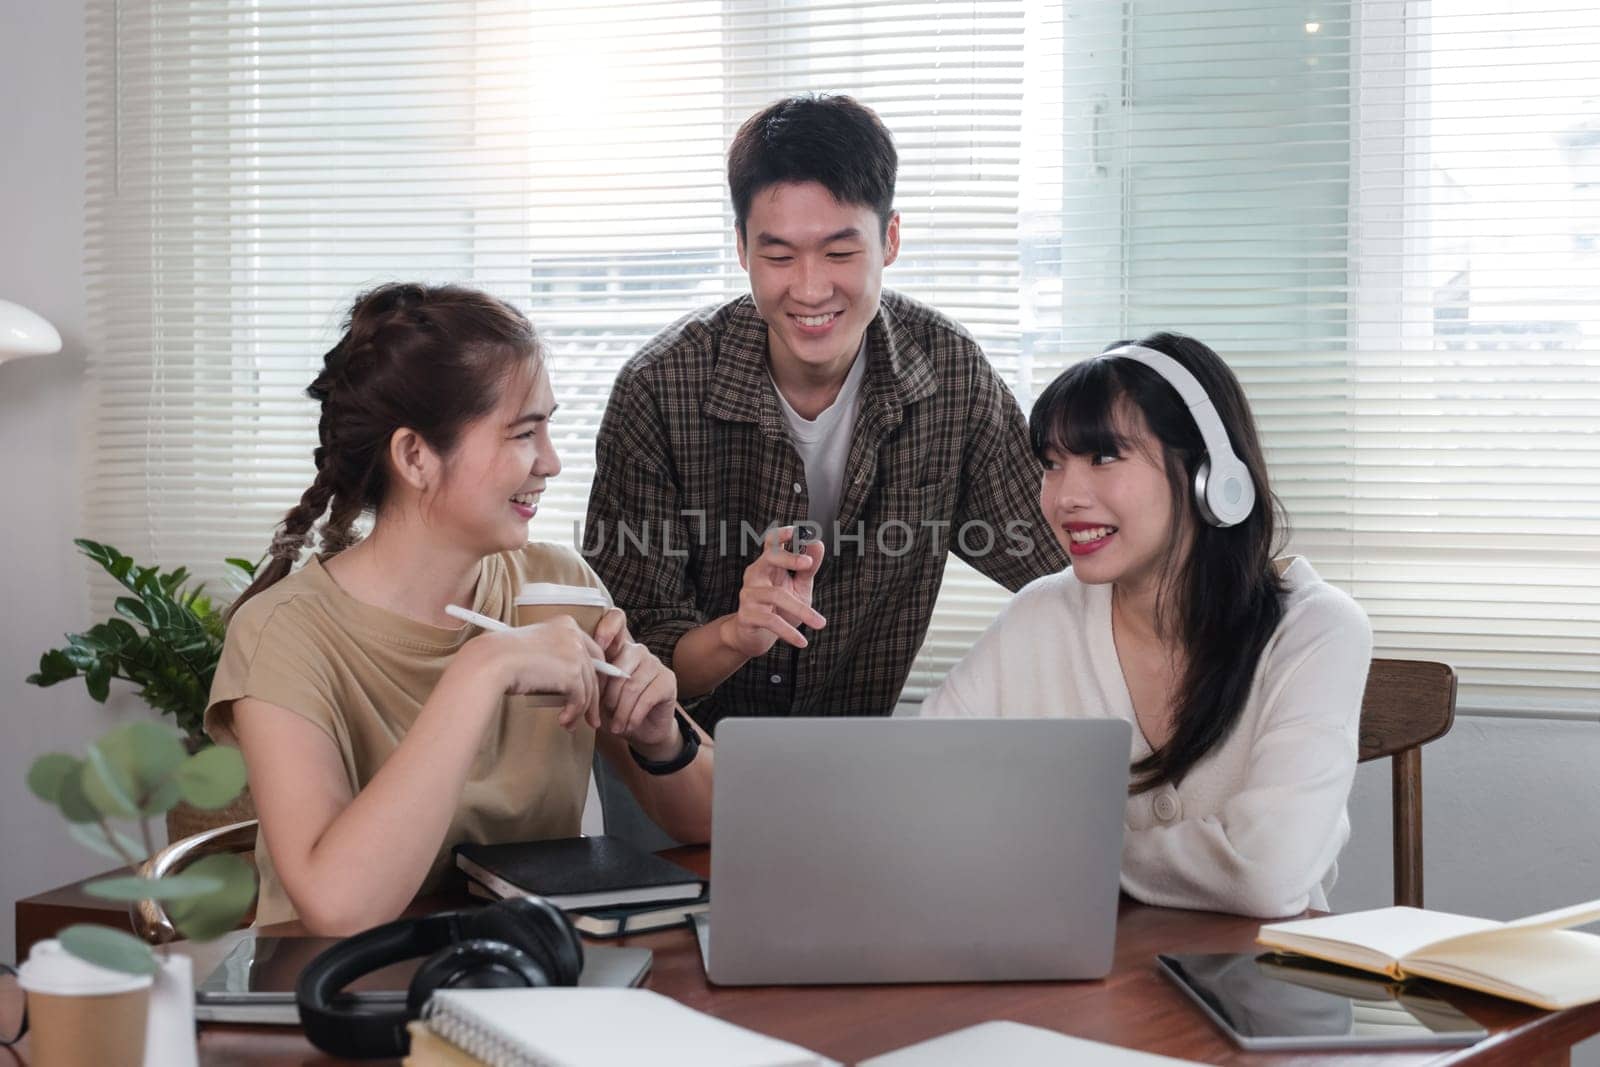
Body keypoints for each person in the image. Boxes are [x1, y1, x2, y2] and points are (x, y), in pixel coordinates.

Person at [206, 283, 712, 934]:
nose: (552, 462)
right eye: (524, 433)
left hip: (524, 979)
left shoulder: (559, 587)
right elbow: (337, 905)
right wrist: (482, 672)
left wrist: (660, 735)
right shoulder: (284, 635)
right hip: (346, 999)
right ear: (416, 455)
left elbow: (710, 826)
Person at [585, 94, 1069, 730]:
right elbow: (629, 656)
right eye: (779, 256)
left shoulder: (950, 372)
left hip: (853, 764)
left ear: (889, 239)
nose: (810, 290)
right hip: (677, 761)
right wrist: (735, 633)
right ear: (740, 248)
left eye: (840, 253)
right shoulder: (658, 388)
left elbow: (1058, 559)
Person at [918, 332, 1372, 918]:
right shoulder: (1039, 616)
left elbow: (1266, 873)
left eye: (1104, 457)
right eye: (1052, 465)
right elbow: (917, 798)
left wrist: (1051, 852)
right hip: (1089, 974)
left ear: (1210, 475)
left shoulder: (1316, 630)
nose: (1064, 498)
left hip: (1258, 983)